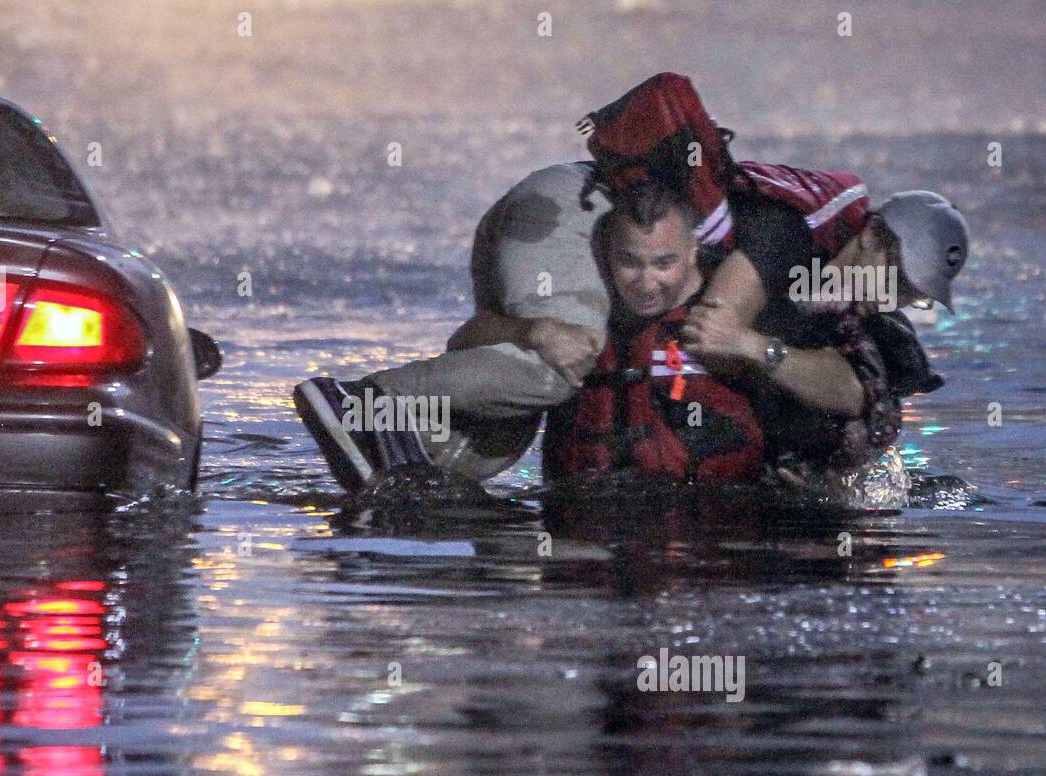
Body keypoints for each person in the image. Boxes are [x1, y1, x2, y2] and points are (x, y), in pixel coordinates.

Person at [293, 80, 969, 495]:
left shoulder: (818, 280)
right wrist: (782, 368)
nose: (893, 301)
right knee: (560, 363)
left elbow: (470, 337)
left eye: (909, 299)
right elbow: (715, 329)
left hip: (578, 226)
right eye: (900, 283)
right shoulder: (786, 239)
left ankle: (390, 466)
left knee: (491, 446)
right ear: (874, 235)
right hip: (566, 212)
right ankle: (361, 404)